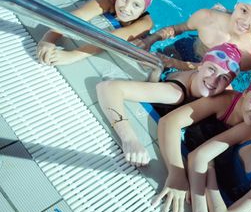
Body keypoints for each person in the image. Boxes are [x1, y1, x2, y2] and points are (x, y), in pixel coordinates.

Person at [151, 68, 251, 212]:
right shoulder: (225, 102)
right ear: (244, 93)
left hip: (200, 158)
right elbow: (169, 122)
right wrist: (177, 174)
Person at [96, 43, 242, 166]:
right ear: (200, 66)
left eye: (224, 77)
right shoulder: (174, 93)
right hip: (166, 83)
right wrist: (129, 139)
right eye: (211, 69)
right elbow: (108, 88)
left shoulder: (225, 92)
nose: (214, 80)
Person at [138, 0, 251, 71]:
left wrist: (174, 63)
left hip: (209, 75)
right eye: (244, 11)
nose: (245, 21)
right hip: (190, 47)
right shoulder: (207, 18)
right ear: (236, 5)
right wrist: (150, 40)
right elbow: (177, 29)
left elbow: (214, 73)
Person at [37, 0, 155, 65]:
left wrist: (73, 55)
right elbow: (75, 17)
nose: (126, 8)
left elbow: (112, 39)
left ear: (143, 10)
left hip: (136, 38)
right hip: (106, 0)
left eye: (136, 5)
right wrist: (49, 38)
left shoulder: (145, 24)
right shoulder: (107, 1)